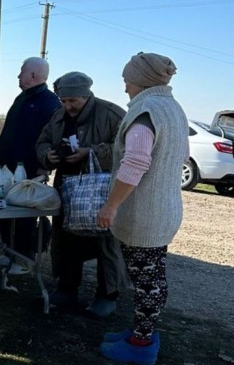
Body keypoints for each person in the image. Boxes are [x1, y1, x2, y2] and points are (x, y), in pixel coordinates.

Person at [97, 53, 189, 365]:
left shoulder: (146, 112)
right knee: (151, 277)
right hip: (164, 209)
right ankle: (140, 332)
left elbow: (136, 162)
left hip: (145, 216)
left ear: (141, 81)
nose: (125, 89)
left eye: (127, 82)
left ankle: (141, 344)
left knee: (147, 281)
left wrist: (111, 206)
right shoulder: (172, 109)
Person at [36, 71, 129, 317]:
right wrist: (48, 155)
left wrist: (91, 152)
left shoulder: (112, 114)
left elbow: (126, 148)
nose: (67, 106)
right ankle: (67, 289)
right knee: (67, 241)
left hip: (101, 191)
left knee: (106, 241)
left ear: (86, 95)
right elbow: (42, 141)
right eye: (63, 101)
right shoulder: (58, 116)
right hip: (67, 189)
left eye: (72, 102)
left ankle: (107, 295)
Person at [0, 57, 60, 272]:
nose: (18, 75)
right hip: (6, 167)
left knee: (23, 215)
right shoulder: (22, 98)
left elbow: (52, 138)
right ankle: (8, 253)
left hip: (27, 169)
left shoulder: (49, 101)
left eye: (21, 71)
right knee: (5, 209)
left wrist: (44, 166)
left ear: (32, 75)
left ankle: (22, 259)